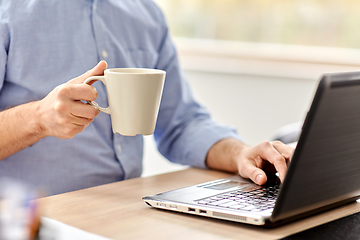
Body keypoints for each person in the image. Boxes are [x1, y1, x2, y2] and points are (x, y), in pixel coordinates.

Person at [0, 0, 294, 196]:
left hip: (128, 209)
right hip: (32, 219)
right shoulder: (9, 11)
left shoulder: (145, 13)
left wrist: (240, 154)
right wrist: (38, 119)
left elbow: (181, 123)